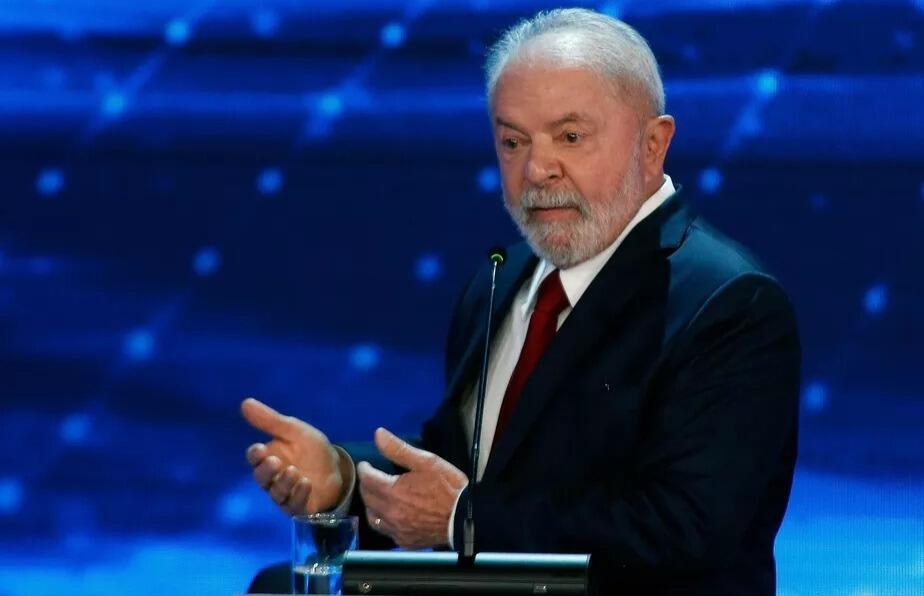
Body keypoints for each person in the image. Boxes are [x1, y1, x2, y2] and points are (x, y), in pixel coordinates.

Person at [242, 8, 800, 594]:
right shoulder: (499, 278)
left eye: (571, 137)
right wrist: (345, 478)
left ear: (653, 144)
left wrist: (466, 520)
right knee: (281, 586)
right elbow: (464, 468)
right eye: (512, 141)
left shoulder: (730, 303)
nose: (537, 169)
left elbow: (685, 528)